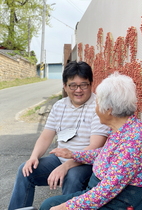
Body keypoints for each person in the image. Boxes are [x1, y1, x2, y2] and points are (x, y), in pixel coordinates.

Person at [39, 72, 142, 210]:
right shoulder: (123, 129)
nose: (95, 110)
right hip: (111, 191)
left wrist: (66, 207)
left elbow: (107, 190)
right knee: (49, 205)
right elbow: (108, 154)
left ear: (108, 110)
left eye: (97, 104)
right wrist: (73, 154)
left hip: (130, 198)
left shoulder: (134, 141)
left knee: (50, 206)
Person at [8, 61, 109, 210]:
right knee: (26, 170)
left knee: (72, 176)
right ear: (64, 85)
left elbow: (95, 147)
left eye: (84, 85)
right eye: (73, 85)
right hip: (59, 158)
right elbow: (45, 136)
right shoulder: (59, 105)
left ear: (91, 84)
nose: (78, 90)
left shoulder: (98, 107)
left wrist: (67, 165)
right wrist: (33, 157)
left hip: (86, 163)